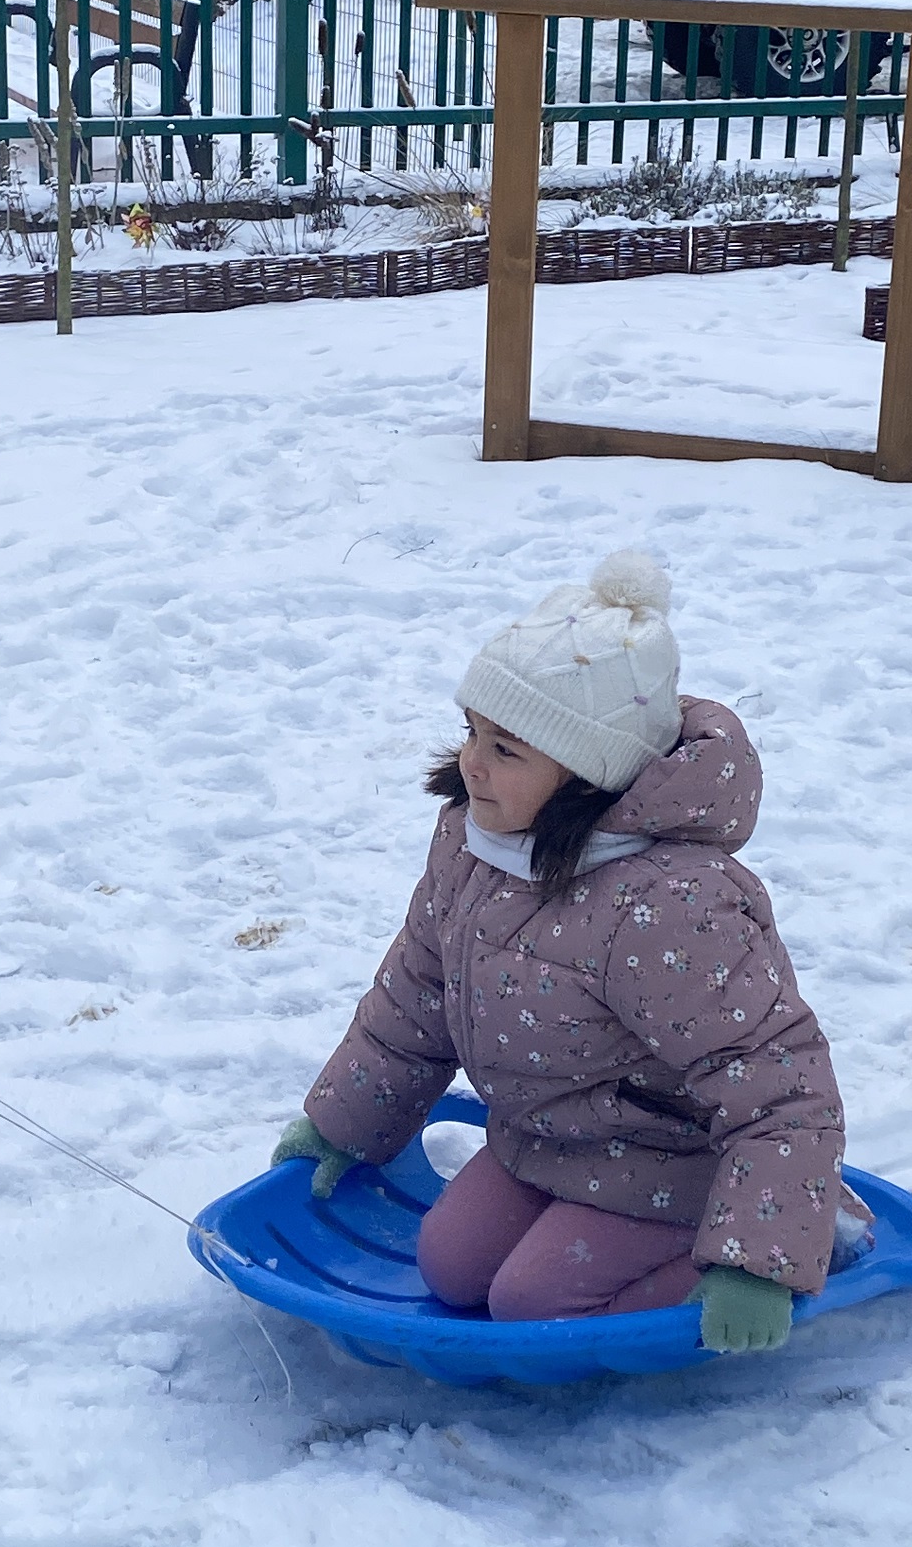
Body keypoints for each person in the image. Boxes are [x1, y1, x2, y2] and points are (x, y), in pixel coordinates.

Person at [273, 551, 846, 1353]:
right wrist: (343, 1124)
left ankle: (805, 1237)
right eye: (472, 731)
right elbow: (416, 998)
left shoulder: (667, 906)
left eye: (507, 750)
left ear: (587, 775)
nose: (472, 763)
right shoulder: (475, 845)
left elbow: (775, 1076)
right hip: (544, 1141)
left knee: (531, 1302)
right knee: (449, 1265)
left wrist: (761, 1262)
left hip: (675, 1163)